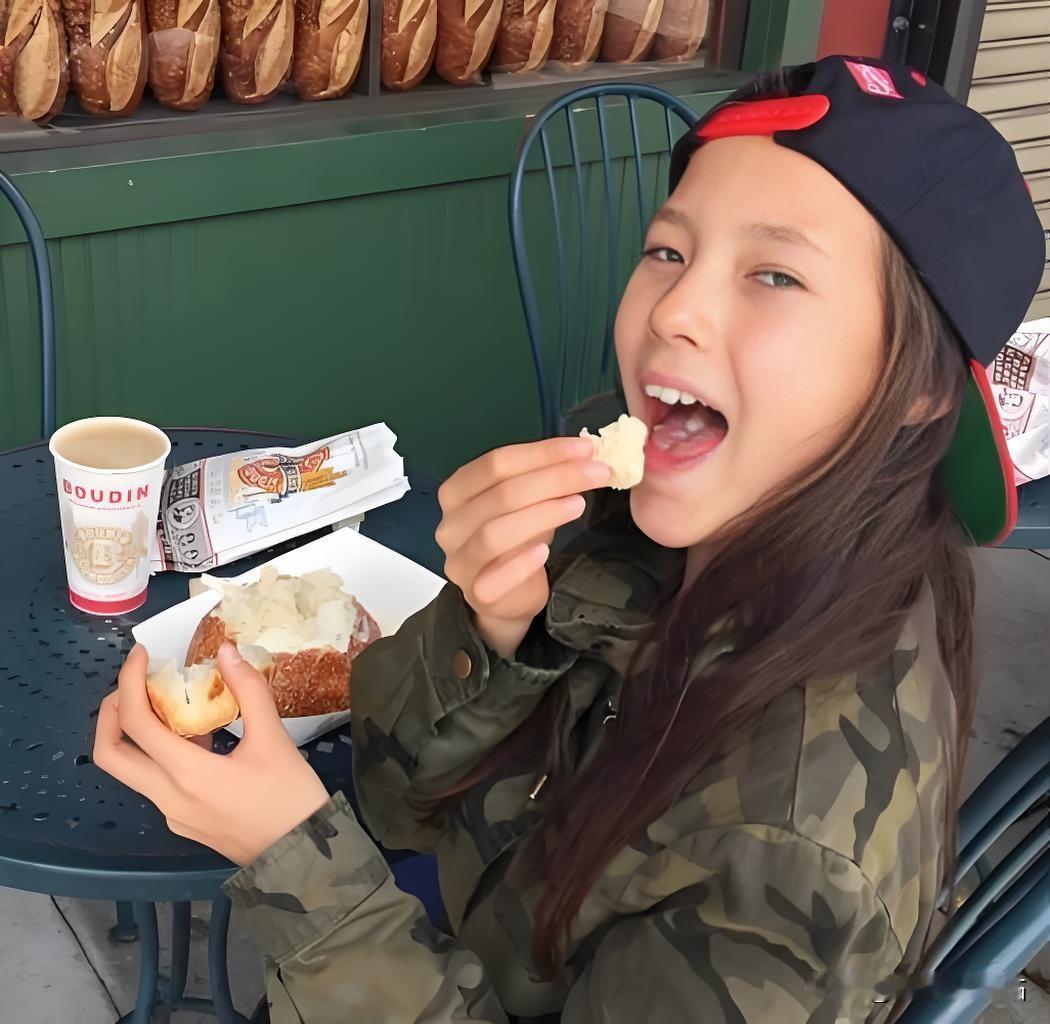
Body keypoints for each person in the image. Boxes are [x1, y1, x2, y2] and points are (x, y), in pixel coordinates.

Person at [94, 56, 1044, 1023]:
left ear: (918, 387)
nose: (673, 310)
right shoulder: (636, 532)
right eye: (667, 251)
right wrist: (488, 634)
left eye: (775, 274)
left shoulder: (792, 856)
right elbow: (394, 804)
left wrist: (297, 868)